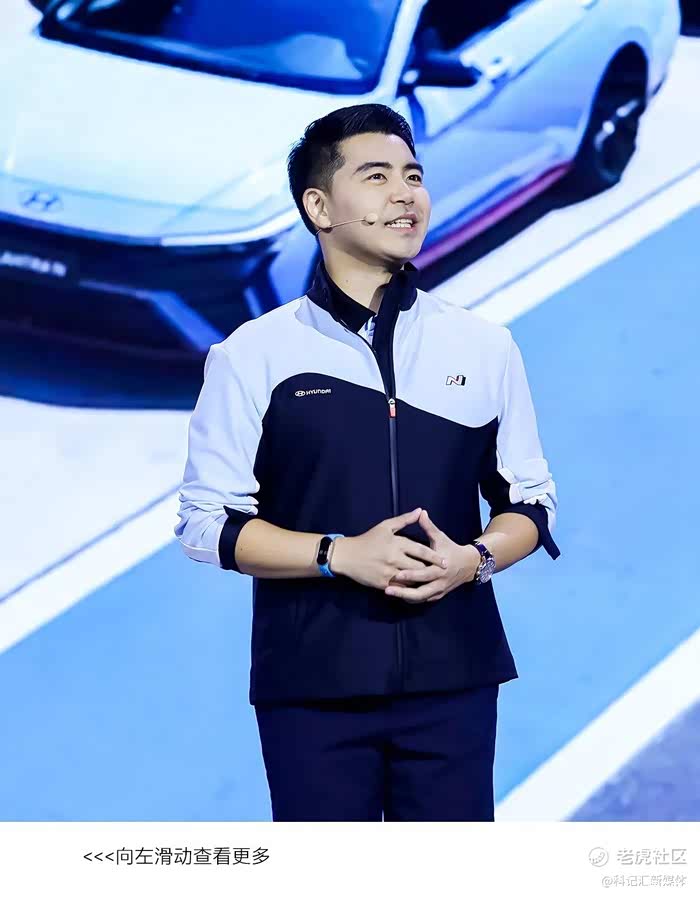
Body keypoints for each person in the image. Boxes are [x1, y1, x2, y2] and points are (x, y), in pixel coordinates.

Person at [174, 103, 560, 822]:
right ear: (318, 207)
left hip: (455, 675)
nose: (405, 194)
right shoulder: (252, 355)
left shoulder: (484, 346)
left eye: (413, 175)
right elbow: (207, 525)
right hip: (312, 687)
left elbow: (530, 504)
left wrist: (472, 560)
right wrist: (338, 554)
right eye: (377, 176)